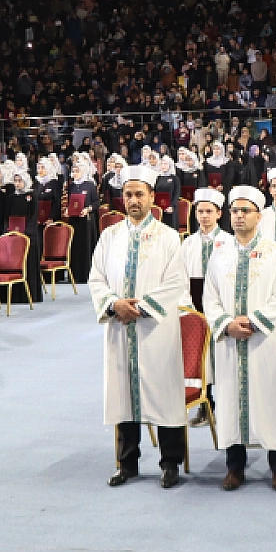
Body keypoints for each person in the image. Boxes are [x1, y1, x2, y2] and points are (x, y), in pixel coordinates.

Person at [90, 166, 188, 488]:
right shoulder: (109, 236)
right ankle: (127, 462)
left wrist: (141, 307)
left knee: (163, 391)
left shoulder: (169, 237)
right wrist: (113, 304)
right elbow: (96, 278)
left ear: (151, 197)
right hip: (120, 327)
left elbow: (175, 282)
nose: (133, 200)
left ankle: (170, 462)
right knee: (123, 393)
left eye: (139, 194)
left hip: (155, 329)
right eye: (128, 194)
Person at [205, 186, 276, 491]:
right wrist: (226, 324)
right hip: (229, 341)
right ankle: (234, 466)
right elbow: (210, 297)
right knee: (230, 401)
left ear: (259, 215)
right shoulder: (219, 253)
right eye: (235, 211)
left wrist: (254, 322)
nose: (239, 216)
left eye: (246, 210)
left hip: (265, 341)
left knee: (270, 400)